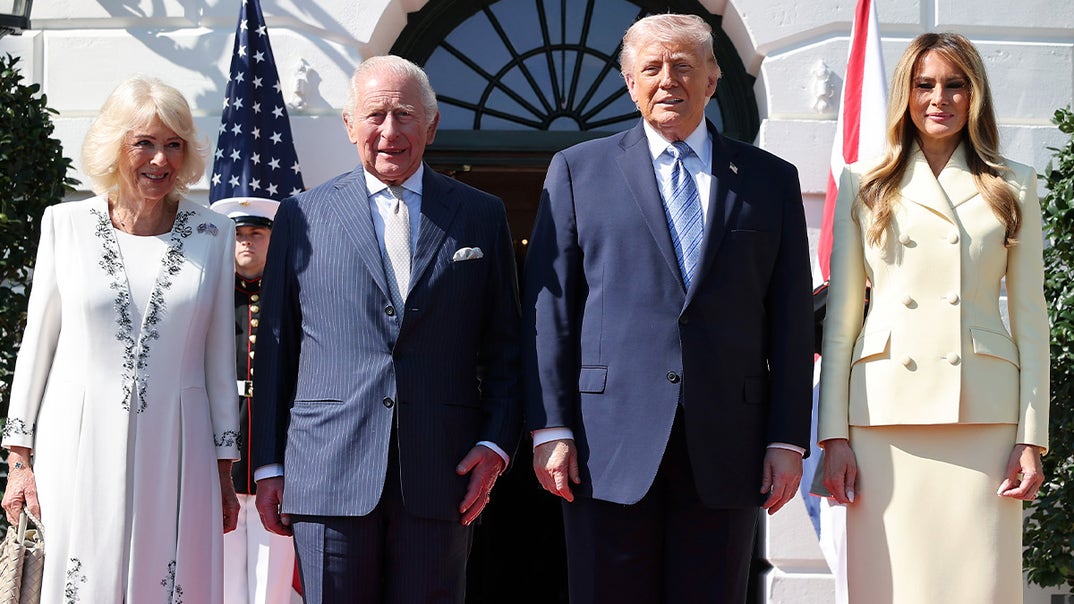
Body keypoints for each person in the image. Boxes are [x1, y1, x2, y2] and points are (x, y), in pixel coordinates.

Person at [523, 13, 814, 603]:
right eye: (651, 67)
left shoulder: (769, 180)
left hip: (728, 443)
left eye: (683, 66)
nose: (667, 80)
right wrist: (550, 426)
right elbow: (550, 312)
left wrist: (787, 439)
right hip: (605, 444)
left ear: (712, 80)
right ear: (630, 83)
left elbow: (790, 320)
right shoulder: (578, 171)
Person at [251, 55, 521, 603]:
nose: (390, 132)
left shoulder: (481, 215)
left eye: (405, 115)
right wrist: (269, 464)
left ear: (432, 125)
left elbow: (506, 346)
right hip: (327, 472)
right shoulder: (301, 216)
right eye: (375, 115)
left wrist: (495, 442)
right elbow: (278, 349)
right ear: (350, 125)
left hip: (441, 471)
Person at [818, 32, 1048, 603]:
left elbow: (1031, 321)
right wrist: (833, 435)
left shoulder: (1013, 183)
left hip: (984, 418)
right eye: (924, 85)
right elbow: (842, 323)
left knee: (981, 585)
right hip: (883, 416)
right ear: (906, 94)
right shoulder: (865, 181)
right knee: (889, 586)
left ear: (975, 95)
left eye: (954, 85)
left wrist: (1032, 439)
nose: (938, 98)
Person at [0, 76, 240, 603]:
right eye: (144, 143)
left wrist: (224, 470)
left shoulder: (215, 233)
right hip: (75, 443)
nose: (160, 159)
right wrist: (19, 462)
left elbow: (219, 359)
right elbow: (37, 346)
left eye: (173, 144)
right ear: (115, 146)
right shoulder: (65, 225)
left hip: (180, 448)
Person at [210, 196, 297, 604]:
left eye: (257, 233)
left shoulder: (292, 298)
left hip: (275, 455)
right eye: (238, 234)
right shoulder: (209, 298)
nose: (246, 242)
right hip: (219, 457)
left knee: (272, 581)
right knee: (221, 577)